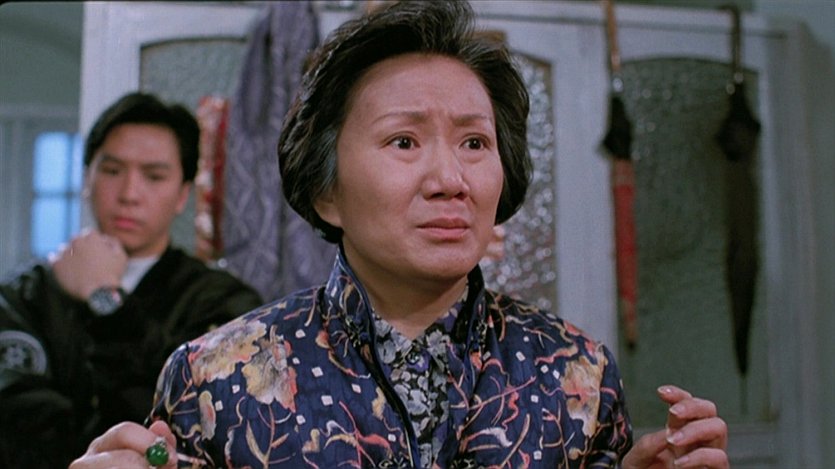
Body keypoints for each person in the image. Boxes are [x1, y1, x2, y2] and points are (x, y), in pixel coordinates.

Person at [70, 2, 728, 468]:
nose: (450, 179)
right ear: (326, 190)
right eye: (404, 141)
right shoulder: (218, 377)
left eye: (474, 142)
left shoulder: (575, 372)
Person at [0, 92, 263, 468]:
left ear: (182, 195)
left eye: (154, 176)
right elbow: (16, 435)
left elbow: (204, 428)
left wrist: (106, 300)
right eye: (112, 171)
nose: (129, 194)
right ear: (87, 178)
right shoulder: (23, 297)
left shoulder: (221, 302)